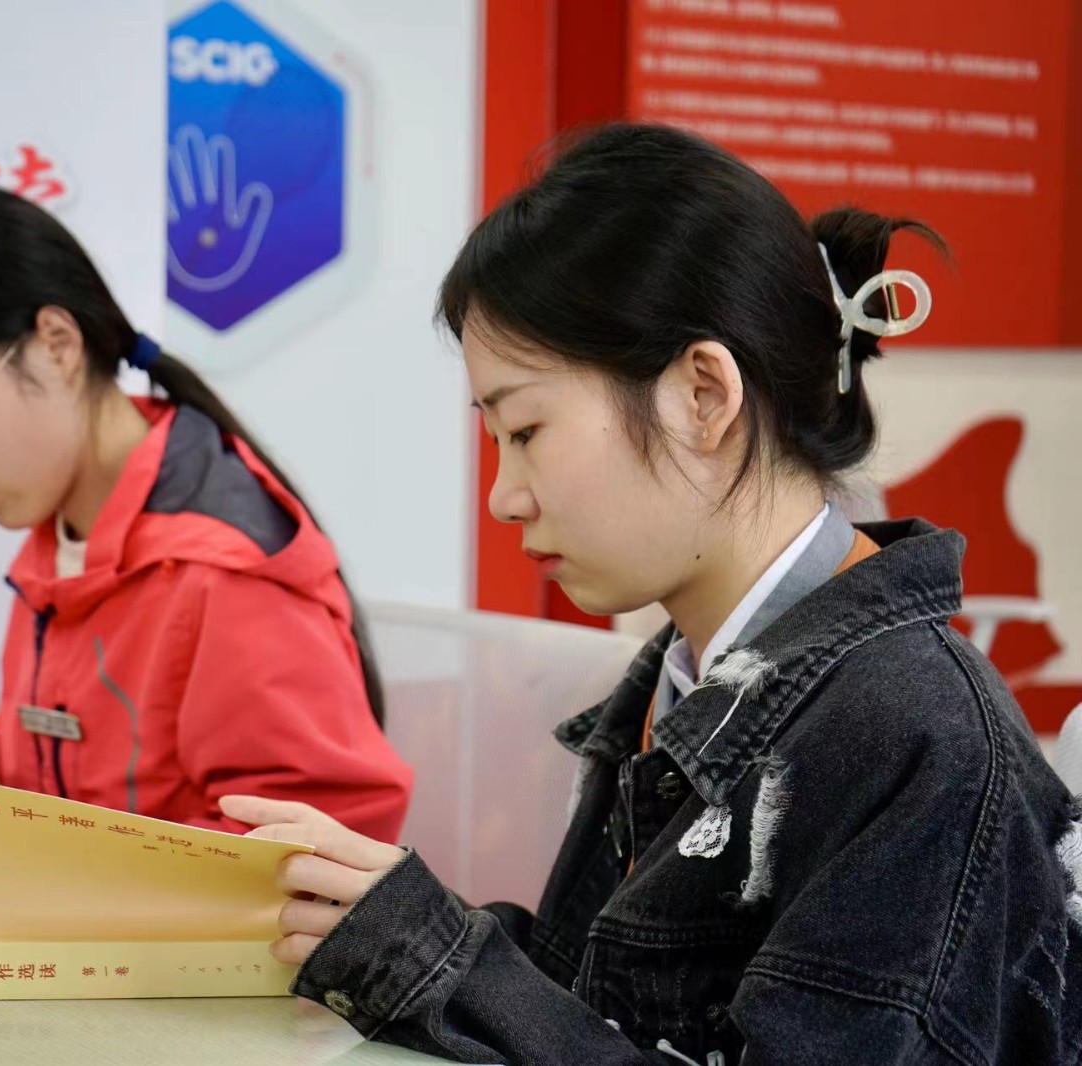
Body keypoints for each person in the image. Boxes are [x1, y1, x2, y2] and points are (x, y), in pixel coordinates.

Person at [222, 124, 1082, 1063]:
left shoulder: (919, 741)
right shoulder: (674, 689)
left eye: (527, 429)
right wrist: (395, 928)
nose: (505, 496)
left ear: (703, 396)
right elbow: (608, 1008)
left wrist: (433, 957)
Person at [0, 185, 411, 841]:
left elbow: (316, 848)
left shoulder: (222, 574)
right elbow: (80, 780)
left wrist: (6, 824)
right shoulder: (69, 528)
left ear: (57, 344)